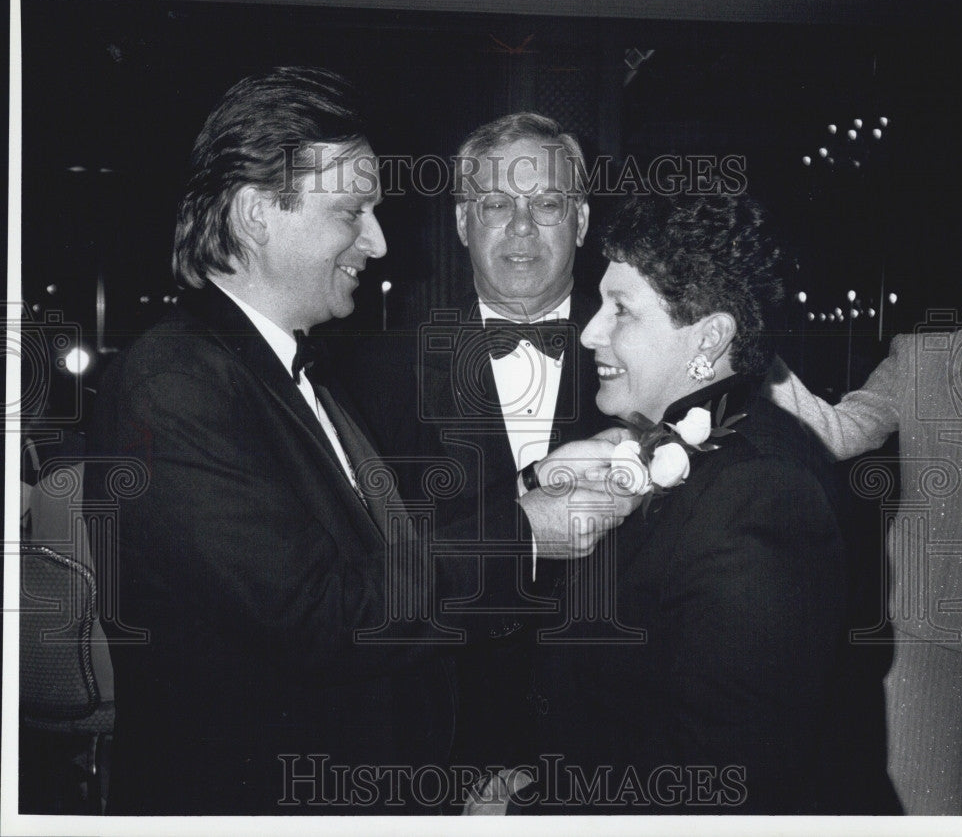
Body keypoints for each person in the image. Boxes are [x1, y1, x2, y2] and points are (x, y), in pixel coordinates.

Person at [84, 69, 630, 814]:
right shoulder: (175, 383)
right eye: (352, 211)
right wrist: (526, 530)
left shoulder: (291, 370)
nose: (377, 240)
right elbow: (322, 615)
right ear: (255, 215)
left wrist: (529, 495)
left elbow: (381, 554)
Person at [502, 192, 899, 814]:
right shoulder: (699, 449)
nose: (590, 331)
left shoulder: (762, 496)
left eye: (621, 309)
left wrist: (528, 814)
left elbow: (722, 786)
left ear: (710, 339)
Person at [345, 113, 615, 776]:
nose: (522, 227)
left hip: (608, 751)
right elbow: (367, 585)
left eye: (547, 203)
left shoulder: (644, 365)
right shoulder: (377, 378)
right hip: (442, 747)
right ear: (463, 223)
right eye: (497, 204)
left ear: (580, 222)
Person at [765, 230, 962, 814]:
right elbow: (836, 432)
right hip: (932, 631)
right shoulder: (920, 359)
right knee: (932, 809)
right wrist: (752, 351)